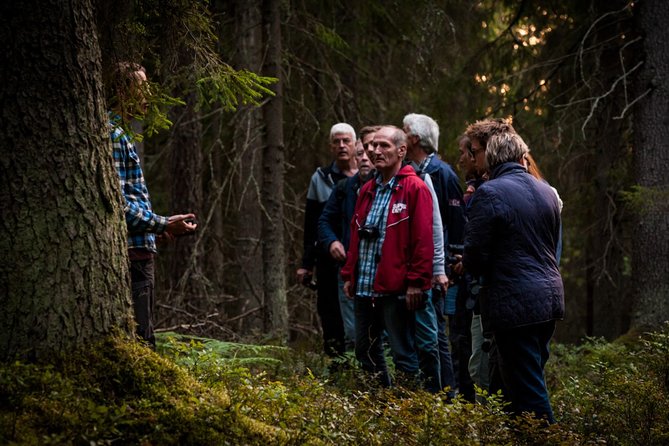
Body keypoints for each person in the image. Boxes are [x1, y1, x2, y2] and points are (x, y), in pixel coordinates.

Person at [463, 126, 564, 422]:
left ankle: (549, 439)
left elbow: (474, 255)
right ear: (521, 156)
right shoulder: (547, 191)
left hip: (514, 303)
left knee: (527, 391)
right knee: (520, 383)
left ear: (491, 158)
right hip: (548, 299)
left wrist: (480, 271)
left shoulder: (490, 192)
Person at [109, 63, 198, 348]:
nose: (148, 95)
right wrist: (161, 223)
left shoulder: (120, 133)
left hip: (138, 248)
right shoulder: (113, 135)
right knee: (140, 340)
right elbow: (116, 205)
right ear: (122, 91)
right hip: (131, 256)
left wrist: (157, 229)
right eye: (142, 87)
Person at [341, 126, 433, 388]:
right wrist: (349, 273)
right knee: (366, 352)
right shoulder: (367, 189)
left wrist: (417, 281)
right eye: (373, 146)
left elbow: (423, 240)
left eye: (384, 146)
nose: (375, 151)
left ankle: (408, 410)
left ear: (401, 150)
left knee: (403, 353)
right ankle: (380, 406)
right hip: (364, 287)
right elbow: (355, 235)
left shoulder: (415, 188)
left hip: (396, 289)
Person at [403, 113, 466, 395]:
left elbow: (454, 223)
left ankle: (447, 393)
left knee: (437, 333)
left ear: (415, 138)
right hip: (416, 266)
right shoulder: (409, 171)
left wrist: (448, 267)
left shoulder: (444, 174)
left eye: (404, 131)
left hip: (439, 271)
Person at [297, 123, 358, 357]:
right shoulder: (320, 178)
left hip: (357, 259)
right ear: (331, 146)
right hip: (326, 259)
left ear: (354, 145)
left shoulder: (367, 177)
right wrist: (306, 263)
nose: (341, 146)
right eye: (336, 142)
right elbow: (311, 224)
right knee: (330, 314)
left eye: (346, 141)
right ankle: (336, 367)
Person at [318, 126, 378, 351]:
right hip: (350, 272)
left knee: (382, 335)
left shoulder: (389, 188)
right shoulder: (344, 188)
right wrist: (332, 241)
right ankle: (357, 381)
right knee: (353, 333)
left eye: (368, 153)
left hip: (381, 272)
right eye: (360, 153)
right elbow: (323, 222)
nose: (364, 158)